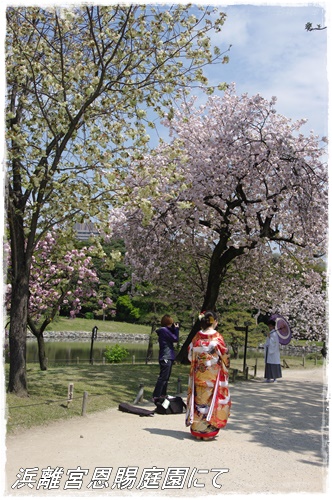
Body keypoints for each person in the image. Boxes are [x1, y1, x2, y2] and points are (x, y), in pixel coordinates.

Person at [185, 311, 231, 440]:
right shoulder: (217, 338)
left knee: (199, 400)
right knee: (210, 401)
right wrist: (225, 365)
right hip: (213, 375)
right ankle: (207, 431)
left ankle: (197, 429)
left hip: (199, 374)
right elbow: (225, 356)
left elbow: (189, 355)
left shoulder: (196, 338)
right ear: (215, 322)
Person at [152, 314, 179, 400]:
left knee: (166, 378)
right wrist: (176, 329)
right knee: (163, 377)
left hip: (168, 356)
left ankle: (162, 394)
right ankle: (156, 395)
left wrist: (174, 329)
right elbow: (175, 338)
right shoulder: (164, 330)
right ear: (169, 322)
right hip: (166, 356)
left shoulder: (166, 330)